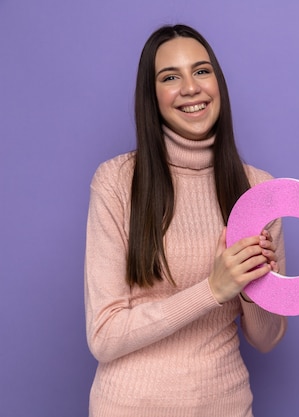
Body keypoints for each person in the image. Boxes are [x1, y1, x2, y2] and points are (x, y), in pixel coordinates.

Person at [84, 24, 287, 417]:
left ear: (218, 83)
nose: (191, 87)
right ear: (152, 95)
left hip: (225, 405)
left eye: (201, 71)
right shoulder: (115, 181)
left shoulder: (260, 190)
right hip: (129, 406)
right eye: (170, 77)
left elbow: (267, 339)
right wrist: (213, 288)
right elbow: (104, 335)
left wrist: (247, 287)